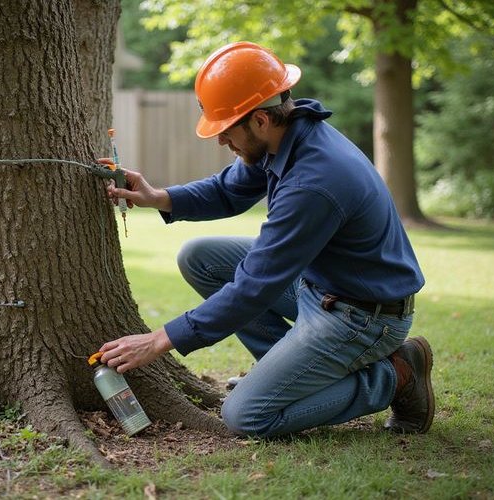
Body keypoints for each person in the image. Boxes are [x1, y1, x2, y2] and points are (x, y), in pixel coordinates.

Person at [98, 41, 434, 437]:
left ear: (260, 120)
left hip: (360, 317)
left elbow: (255, 286)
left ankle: (396, 374)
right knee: (200, 258)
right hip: (321, 286)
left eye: (226, 131)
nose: (222, 141)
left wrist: (157, 341)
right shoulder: (288, 137)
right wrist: (160, 197)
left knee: (246, 415)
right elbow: (228, 189)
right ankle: (289, 377)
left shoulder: (314, 181)